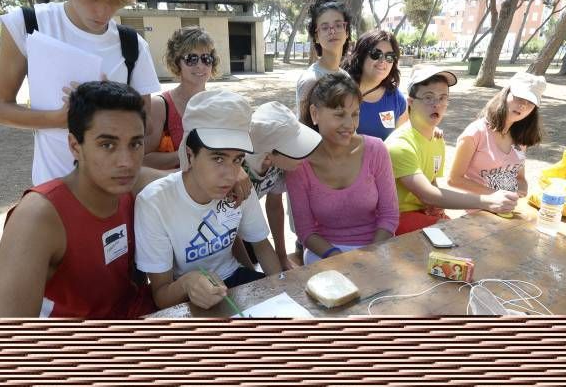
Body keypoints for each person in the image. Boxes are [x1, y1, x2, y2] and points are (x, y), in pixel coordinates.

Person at [0, 0, 159, 185]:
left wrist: (107, 104)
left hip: (112, 192)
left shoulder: (132, 45)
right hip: (52, 187)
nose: (102, 11)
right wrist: (59, 118)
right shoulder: (28, 24)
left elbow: (142, 124)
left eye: (113, 0)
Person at [0, 81, 156, 318]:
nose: (126, 161)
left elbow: (191, 180)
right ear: (75, 146)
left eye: (135, 143)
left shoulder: (131, 184)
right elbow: (3, 337)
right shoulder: (37, 217)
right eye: (107, 145)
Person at [135, 90, 283, 310]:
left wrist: (282, 293)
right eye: (218, 158)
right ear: (190, 154)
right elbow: (161, 294)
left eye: (237, 159)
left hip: (235, 279)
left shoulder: (240, 187)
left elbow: (261, 245)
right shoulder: (154, 203)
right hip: (183, 298)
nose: (230, 174)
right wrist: (187, 283)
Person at [385, 65, 518, 235]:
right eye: (428, 97)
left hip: (422, 213)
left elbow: (431, 183)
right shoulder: (400, 145)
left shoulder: (437, 139)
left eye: (443, 98)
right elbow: (427, 194)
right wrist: (487, 201)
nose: (437, 105)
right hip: (396, 219)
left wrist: (434, 206)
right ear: (411, 102)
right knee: (459, 235)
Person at [286, 73, 399, 265]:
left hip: (375, 247)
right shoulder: (299, 163)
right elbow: (306, 230)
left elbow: (390, 216)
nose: (350, 125)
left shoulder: (376, 149)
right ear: (315, 114)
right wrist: (336, 256)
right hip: (324, 253)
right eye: (339, 115)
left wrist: (369, 255)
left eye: (355, 114)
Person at [245, 102, 322, 270]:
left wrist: (282, 257)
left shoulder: (279, 165)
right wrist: (248, 271)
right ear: (267, 157)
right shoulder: (238, 171)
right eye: (296, 149)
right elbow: (233, 226)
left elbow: (274, 207)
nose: (305, 155)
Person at [448, 72, 546, 198]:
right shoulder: (476, 132)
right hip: (474, 211)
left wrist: (519, 193)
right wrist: (496, 196)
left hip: (507, 211)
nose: (523, 105)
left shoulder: (521, 137)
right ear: (505, 94)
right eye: (519, 98)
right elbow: (453, 179)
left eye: (530, 102)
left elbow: (520, 179)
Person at [143, 26, 219, 170]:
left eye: (206, 58)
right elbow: (142, 160)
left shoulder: (218, 104)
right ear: (177, 62)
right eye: (191, 59)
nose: (200, 66)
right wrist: (188, 153)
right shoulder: (160, 106)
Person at [341, 29, 407, 140]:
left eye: (389, 56)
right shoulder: (340, 91)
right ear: (361, 56)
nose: (383, 61)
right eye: (376, 54)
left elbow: (401, 141)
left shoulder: (397, 99)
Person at [295, 0, 352, 113]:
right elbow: (303, 127)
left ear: (347, 32)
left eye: (338, 25)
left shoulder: (346, 77)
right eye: (325, 27)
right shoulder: (310, 81)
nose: (332, 31)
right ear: (316, 37)